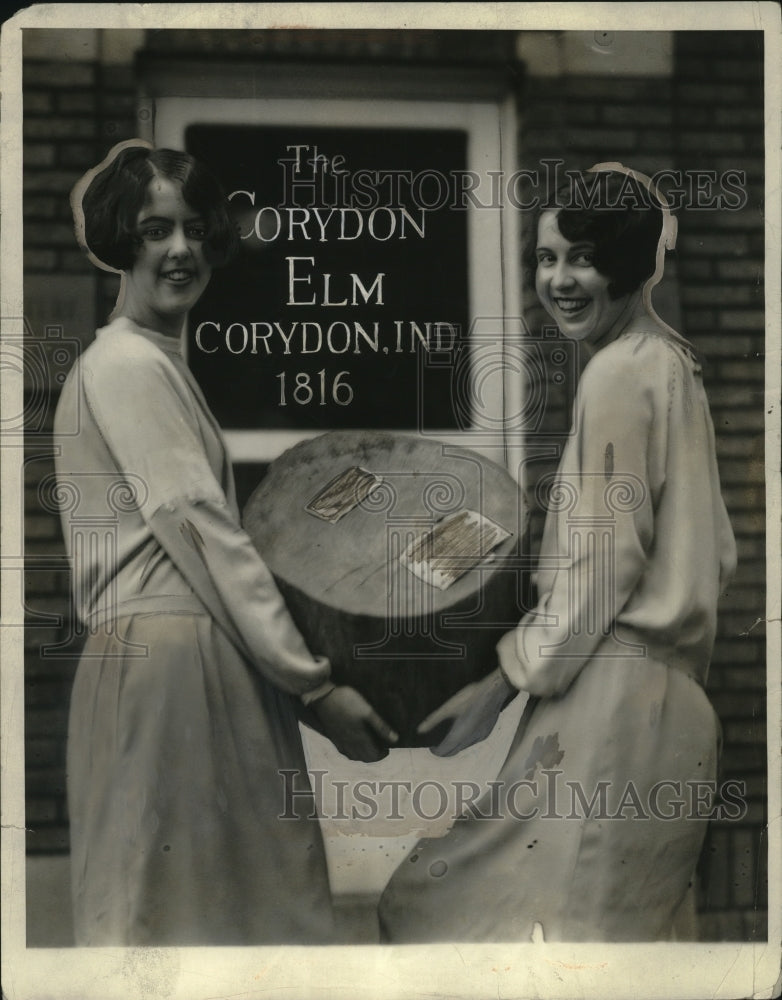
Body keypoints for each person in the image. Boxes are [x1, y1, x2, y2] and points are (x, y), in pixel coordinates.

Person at [377, 164, 737, 943]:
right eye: (546, 259)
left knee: (435, 910)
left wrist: (498, 684)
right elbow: (701, 554)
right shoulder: (672, 368)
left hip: (612, 696)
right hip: (672, 707)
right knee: (631, 947)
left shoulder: (618, 372)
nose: (560, 280)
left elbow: (605, 564)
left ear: (635, 263)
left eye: (583, 256)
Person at [55, 141, 397, 946]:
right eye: (153, 231)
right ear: (119, 242)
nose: (181, 250)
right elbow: (202, 532)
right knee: (185, 920)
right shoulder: (127, 366)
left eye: (195, 229)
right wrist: (312, 688)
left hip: (182, 657)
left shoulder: (148, 364)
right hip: (172, 663)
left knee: (212, 917)